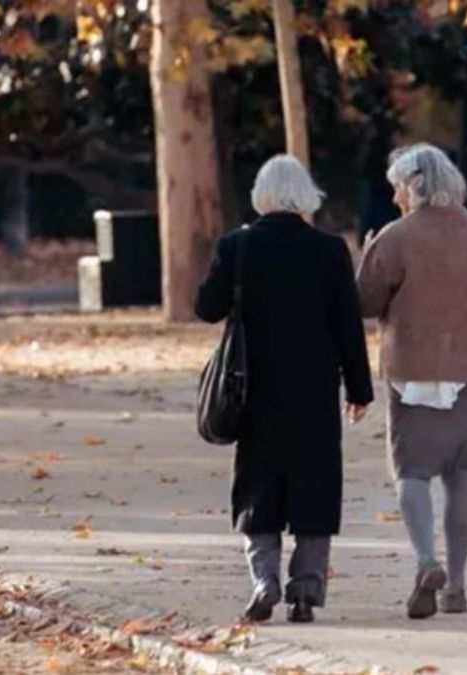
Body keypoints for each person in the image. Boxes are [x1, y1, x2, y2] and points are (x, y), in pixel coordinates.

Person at [195, 155, 374, 624]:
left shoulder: (238, 247)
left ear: (261, 195)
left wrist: (225, 272)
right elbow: (347, 327)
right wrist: (360, 388)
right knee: (315, 487)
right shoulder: (329, 250)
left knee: (258, 486)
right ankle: (306, 592)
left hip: (252, 389)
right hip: (314, 390)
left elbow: (205, 308)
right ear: (305, 196)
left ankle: (264, 580)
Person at [356, 143, 467, 619]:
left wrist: (369, 253)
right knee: (461, 476)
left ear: (413, 186)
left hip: (411, 371)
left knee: (411, 473)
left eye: (397, 189)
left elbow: (364, 302)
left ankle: (427, 561)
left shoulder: (394, 236)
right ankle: (459, 587)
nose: (394, 199)